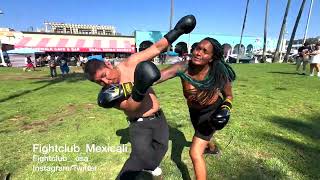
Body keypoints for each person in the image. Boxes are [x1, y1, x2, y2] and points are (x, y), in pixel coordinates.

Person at [83, 15, 196, 180]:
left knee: (162, 147)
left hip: (159, 117)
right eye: (99, 82)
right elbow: (131, 107)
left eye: (104, 75)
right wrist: (140, 87)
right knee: (137, 159)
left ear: (108, 64)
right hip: (140, 125)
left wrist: (178, 31)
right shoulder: (109, 94)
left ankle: (151, 166)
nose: (106, 81)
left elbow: (157, 47)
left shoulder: (131, 62)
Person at [157, 37, 236, 180]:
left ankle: (207, 146)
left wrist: (225, 108)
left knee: (195, 153)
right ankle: (211, 148)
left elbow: (229, 95)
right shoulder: (183, 67)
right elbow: (158, 76)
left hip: (212, 112)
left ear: (211, 58)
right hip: (194, 112)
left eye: (205, 51)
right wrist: (132, 84)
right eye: (197, 48)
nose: (198, 53)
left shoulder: (219, 72)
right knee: (202, 138)